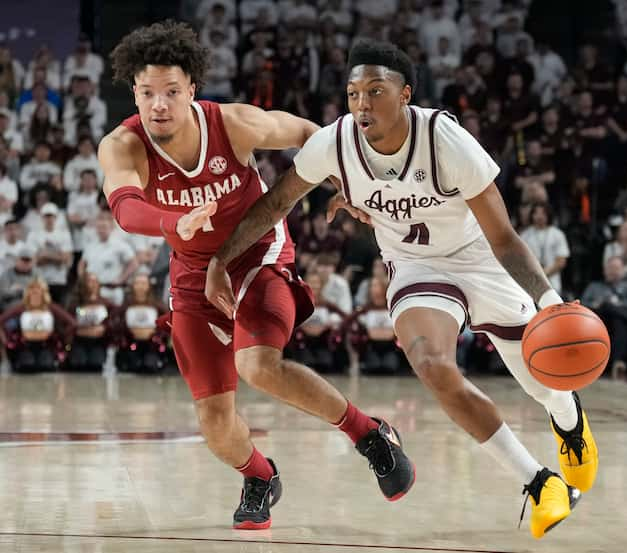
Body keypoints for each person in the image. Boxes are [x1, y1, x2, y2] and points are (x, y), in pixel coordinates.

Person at [206, 39, 596, 539]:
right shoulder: (336, 141)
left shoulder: (445, 139)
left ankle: (569, 422)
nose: (362, 103)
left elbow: (504, 237)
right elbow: (275, 203)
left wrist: (550, 304)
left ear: (405, 94)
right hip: (415, 268)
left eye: (375, 91)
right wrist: (222, 259)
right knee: (433, 367)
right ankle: (539, 483)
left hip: (480, 259)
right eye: (352, 94)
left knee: (542, 377)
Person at [99, 22, 414, 531]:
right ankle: (261, 476)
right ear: (133, 91)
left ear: (191, 91)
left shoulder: (233, 124)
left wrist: (346, 182)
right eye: (147, 93)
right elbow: (125, 206)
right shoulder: (122, 144)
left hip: (258, 254)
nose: (159, 104)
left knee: (258, 365)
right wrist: (171, 223)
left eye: (171, 92)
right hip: (192, 275)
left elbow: (313, 135)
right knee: (215, 424)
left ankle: (370, 434)